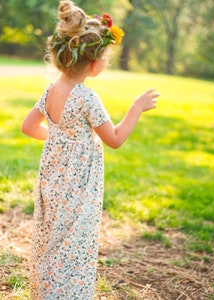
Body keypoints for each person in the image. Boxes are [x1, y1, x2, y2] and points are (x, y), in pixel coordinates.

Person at [21, 1, 160, 299]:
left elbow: (28, 127)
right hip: (79, 185)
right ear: (94, 64)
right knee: (74, 240)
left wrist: (61, 141)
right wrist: (136, 108)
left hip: (53, 178)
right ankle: (67, 293)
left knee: (53, 236)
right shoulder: (86, 98)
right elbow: (115, 138)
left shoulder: (49, 91)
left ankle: (47, 290)